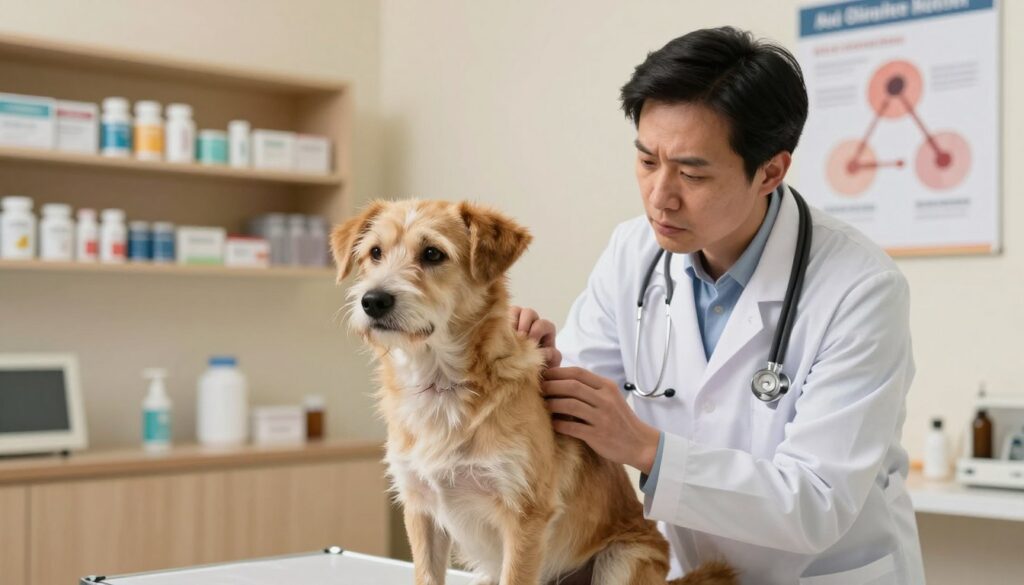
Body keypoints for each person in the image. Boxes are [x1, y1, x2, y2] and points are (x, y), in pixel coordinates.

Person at [511, 27, 924, 585]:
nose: (661, 195)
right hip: (694, 571)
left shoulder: (860, 288)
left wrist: (644, 446)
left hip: (820, 573)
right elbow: (577, 420)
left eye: (692, 172)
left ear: (771, 172)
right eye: (647, 161)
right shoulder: (633, 253)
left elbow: (817, 502)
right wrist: (534, 368)